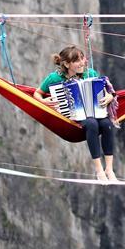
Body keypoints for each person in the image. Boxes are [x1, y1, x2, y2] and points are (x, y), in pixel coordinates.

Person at [33, 45, 118, 182]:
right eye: (77, 60)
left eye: (82, 59)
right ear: (67, 64)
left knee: (107, 124)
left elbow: (105, 91)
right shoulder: (54, 78)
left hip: (94, 112)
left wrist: (110, 96)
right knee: (91, 124)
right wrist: (43, 101)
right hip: (71, 117)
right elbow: (37, 93)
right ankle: (99, 170)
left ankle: (109, 168)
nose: (82, 62)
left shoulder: (90, 74)